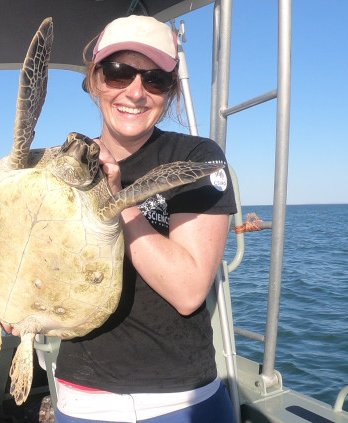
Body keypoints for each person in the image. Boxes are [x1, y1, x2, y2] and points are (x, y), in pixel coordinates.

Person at [32, 15, 237, 422]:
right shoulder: (60, 166)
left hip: (181, 400)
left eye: (155, 79)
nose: (136, 92)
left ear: (171, 91)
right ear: (93, 80)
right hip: (83, 400)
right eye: (118, 73)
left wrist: (115, 198)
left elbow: (188, 290)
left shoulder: (196, 159)